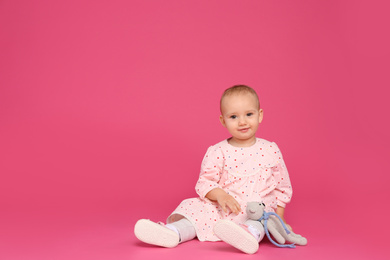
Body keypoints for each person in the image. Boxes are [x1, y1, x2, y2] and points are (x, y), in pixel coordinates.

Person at [134, 85, 295, 254]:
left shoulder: (270, 150)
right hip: (223, 207)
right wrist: (221, 196)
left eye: (249, 114)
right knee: (199, 212)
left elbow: (281, 187)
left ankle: (249, 235)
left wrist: (280, 218)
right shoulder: (218, 151)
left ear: (259, 115)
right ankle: (174, 231)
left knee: (261, 220)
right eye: (233, 116)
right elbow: (205, 182)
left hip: (256, 208)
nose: (242, 122)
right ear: (223, 120)